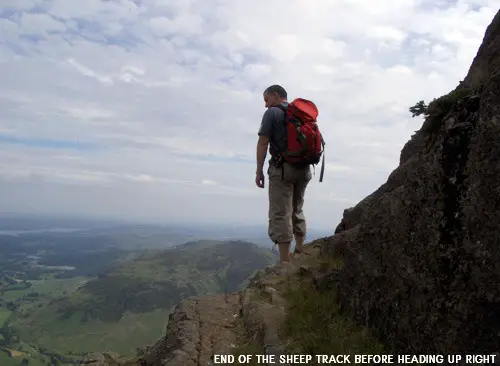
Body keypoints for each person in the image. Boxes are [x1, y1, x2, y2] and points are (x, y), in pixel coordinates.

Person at [255, 85, 313, 263]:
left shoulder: (272, 113)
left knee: (281, 213)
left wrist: (259, 171)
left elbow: (263, 143)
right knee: (297, 208)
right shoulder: (300, 115)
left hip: (282, 170)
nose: (266, 105)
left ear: (275, 95)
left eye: (266, 100)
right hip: (304, 169)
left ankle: (284, 262)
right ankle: (301, 250)